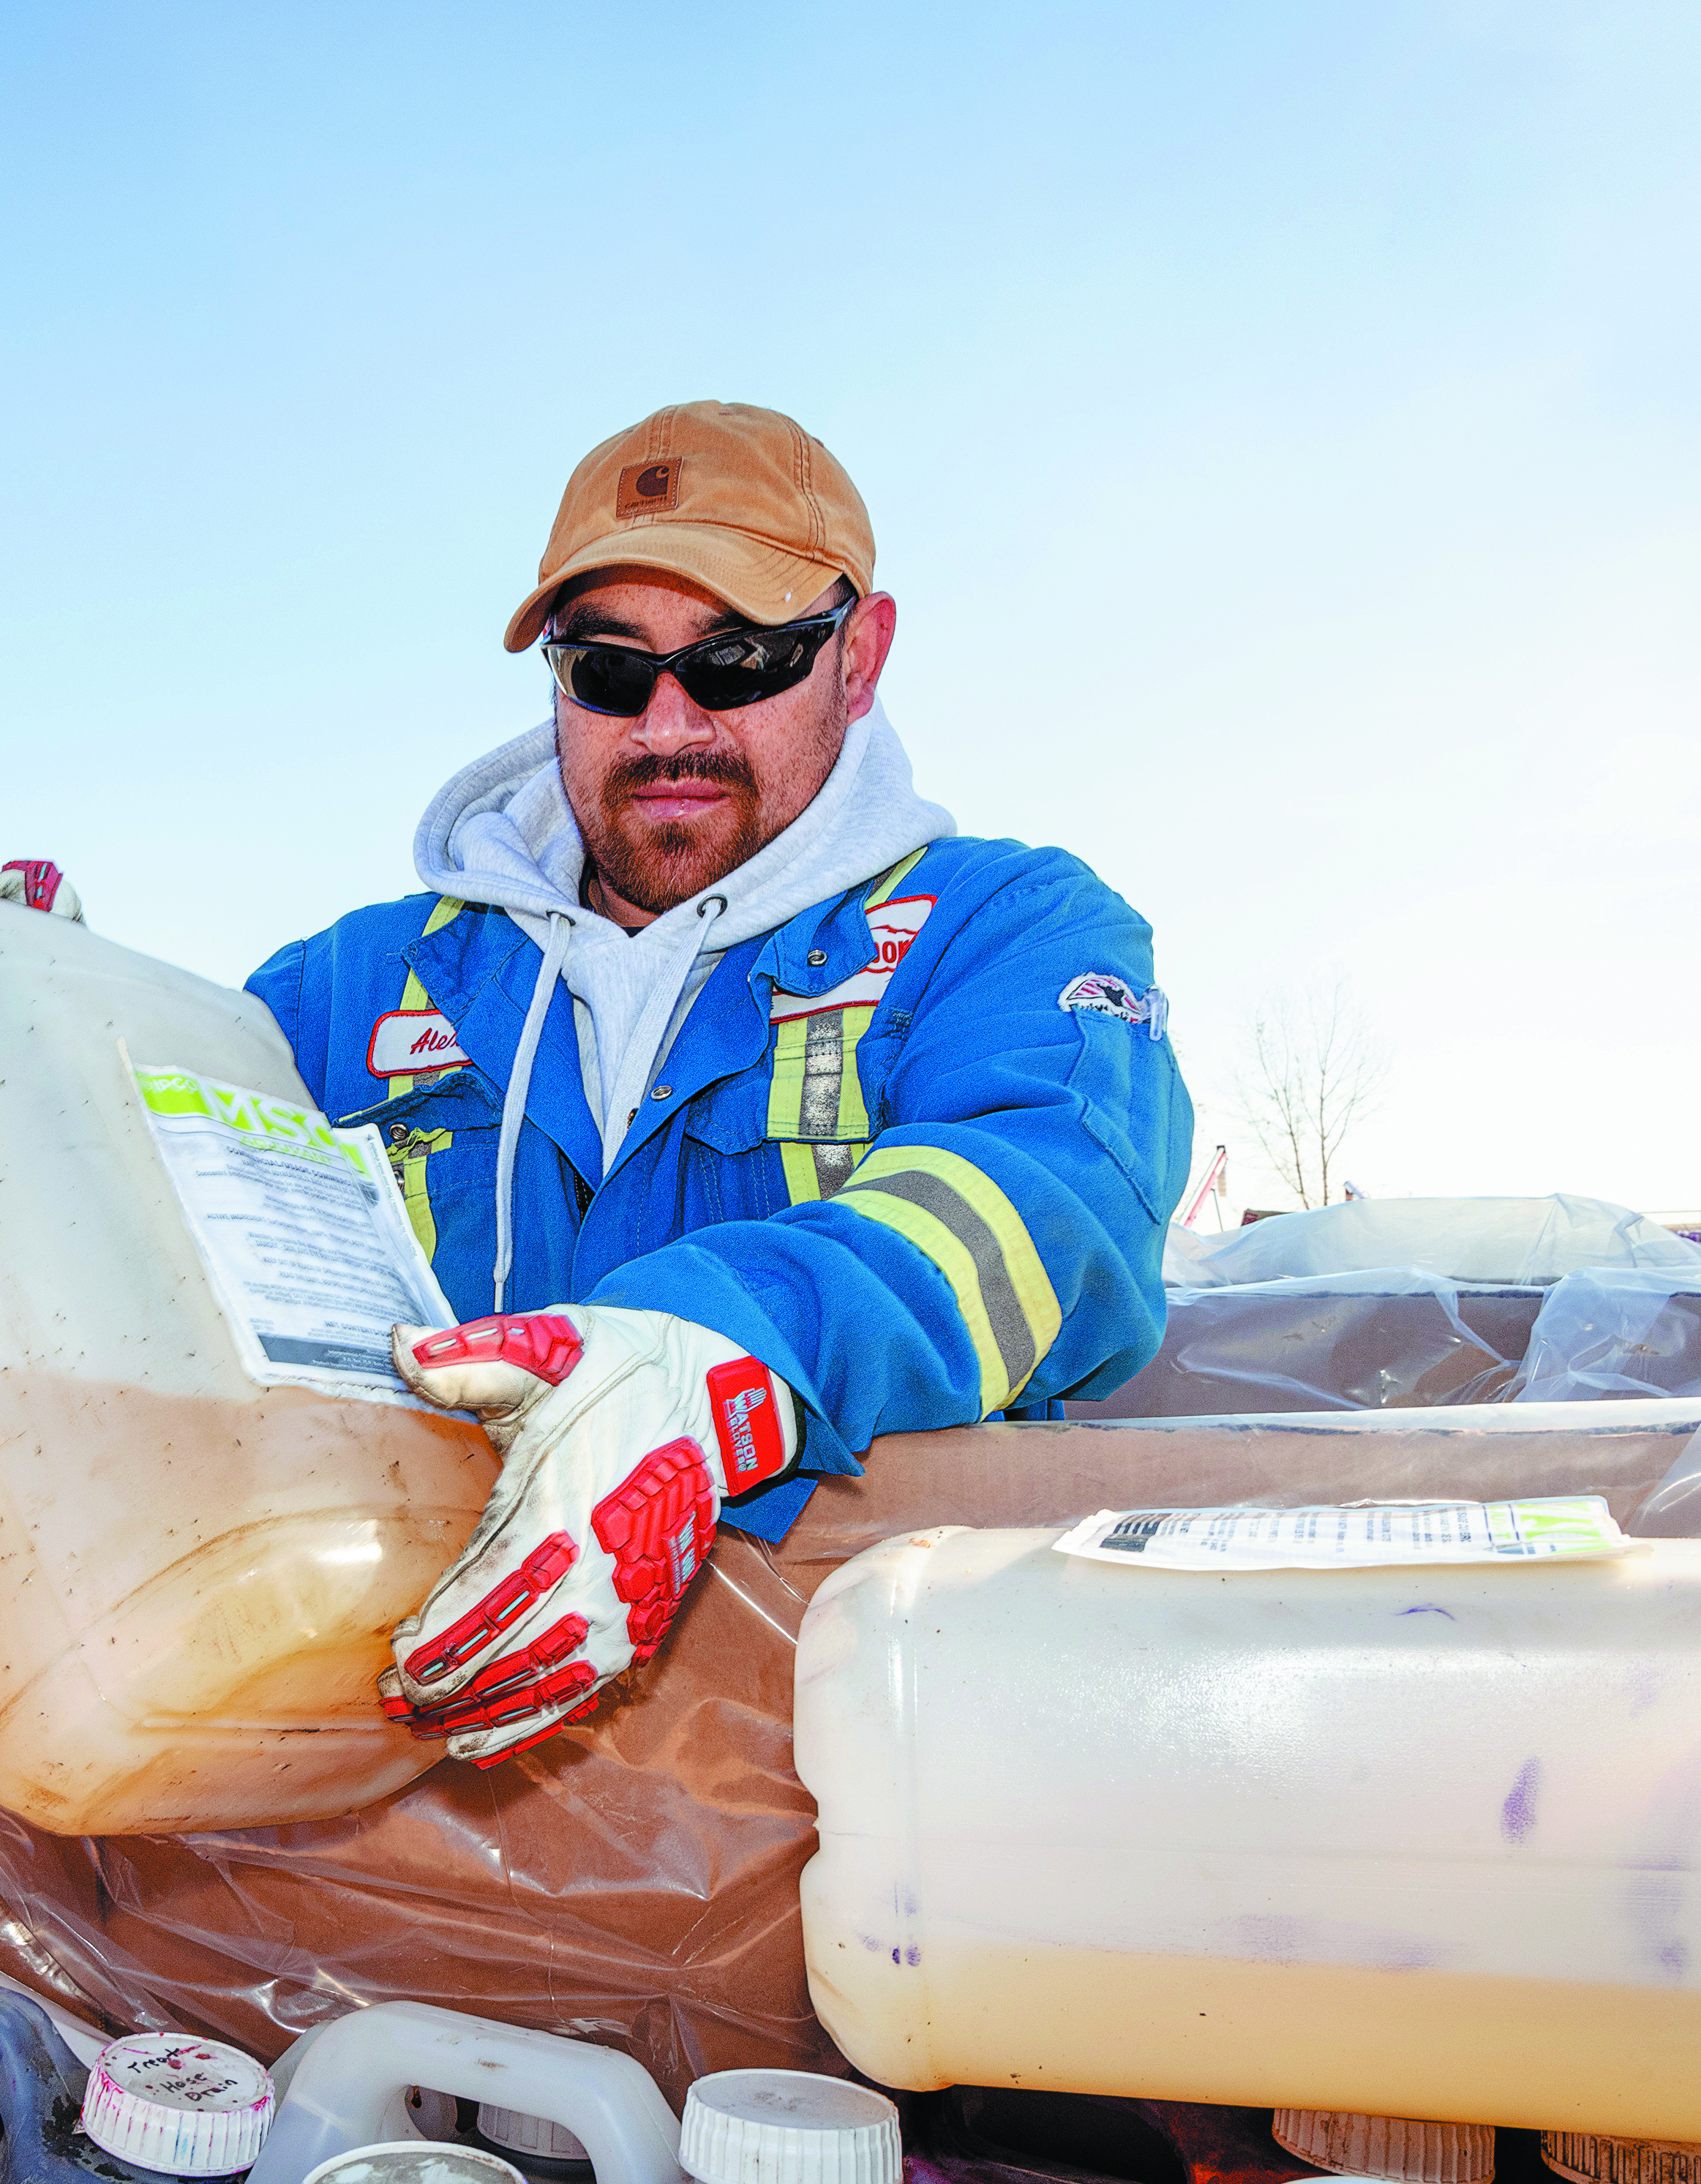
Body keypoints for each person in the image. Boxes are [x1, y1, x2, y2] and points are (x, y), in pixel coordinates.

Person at [247, 401, 1193, 1763]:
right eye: (609, 672)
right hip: (410, 1765)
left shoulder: (1005, 926)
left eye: (740, 659)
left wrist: (721, 1356)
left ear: (858, 659)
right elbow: (127, 1179)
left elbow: (1055, 1203)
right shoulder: (361, 982)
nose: (669, 724)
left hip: (870, 1774)